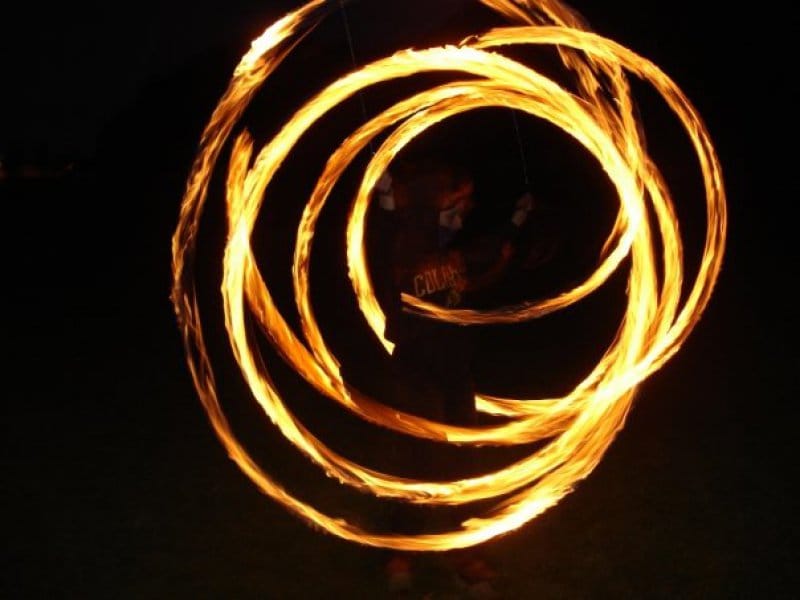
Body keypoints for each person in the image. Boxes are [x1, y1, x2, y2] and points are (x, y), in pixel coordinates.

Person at [368, 158, 535, 595]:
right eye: (460, 199)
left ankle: (462, 550)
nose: (467, 207)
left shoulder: (457, 251)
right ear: (436, 199)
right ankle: (401, 550)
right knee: (421, 462)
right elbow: (387, 228)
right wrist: (386, 194)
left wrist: (517, 220)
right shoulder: (404, 245)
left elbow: (489, 249)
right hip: (416, 372)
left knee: (462, 463)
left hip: (455, 371)